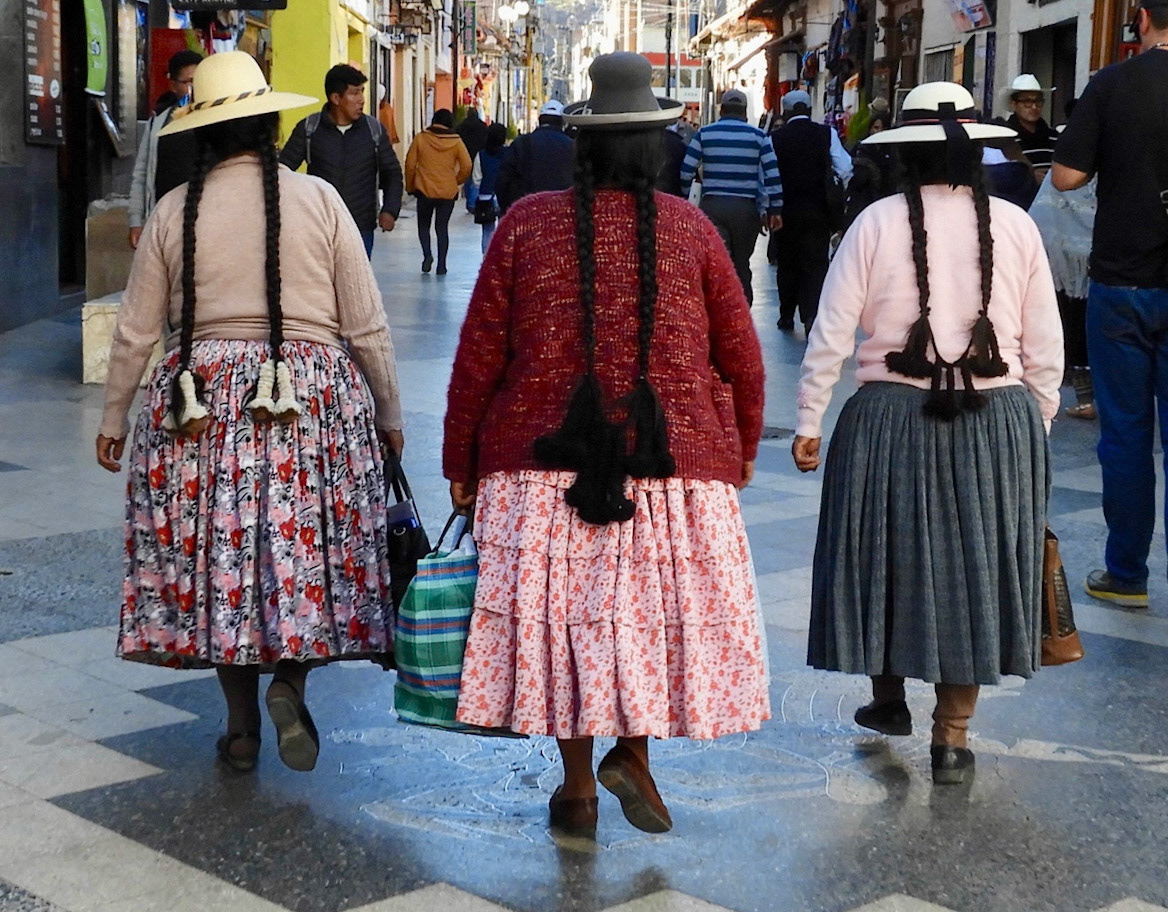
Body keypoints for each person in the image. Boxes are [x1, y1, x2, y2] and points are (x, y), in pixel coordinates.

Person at [443, 52, 770, 838]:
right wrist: (744, 445)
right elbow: (743, 356)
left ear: (582, 145)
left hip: (538, 468)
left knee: (570, 628)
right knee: (642, 621)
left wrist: (460, 462)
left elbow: (480, 353)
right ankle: (636, 751)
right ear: (657, 150)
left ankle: (579, 787)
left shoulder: (525, 225)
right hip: (672, 467)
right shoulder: (691, 229)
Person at [94, 52, 404, 775]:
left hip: (197, 405)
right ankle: (290, 684)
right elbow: (366, 325)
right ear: (270, 122)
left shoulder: (176, 209)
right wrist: (388, 411)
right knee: (303, 557)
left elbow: (136, 330)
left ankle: (239, 732)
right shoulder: (321, 200)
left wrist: (113, 419)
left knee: (221, 560)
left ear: (201, 133)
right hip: (311, 400)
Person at [793, 82, 1063, 786]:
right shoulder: (1016, 223)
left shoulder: (874, 222)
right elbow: (1044, 341)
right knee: (973, 567)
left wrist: (811, 419)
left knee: (885, 554)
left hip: (888, 414)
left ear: (901, 157)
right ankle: (954, 735)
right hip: (995, 416)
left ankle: (888, 700)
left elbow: (830, 329)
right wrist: (1038, 418)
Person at [1052, 0, 1168, 609]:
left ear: (1142, 17)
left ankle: (1127, 574)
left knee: (1124, 433)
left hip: (1123, 280)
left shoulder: (1114, 83)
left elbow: (1066, 177)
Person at [280, 64, 403, 259]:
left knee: (355, 285)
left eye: (362, 92)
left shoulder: (373, 131)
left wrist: (390, 210)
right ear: (335, 98)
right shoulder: (309, 129)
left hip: (360, 227)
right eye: (354, 93)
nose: (361, 100)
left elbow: (392, 173)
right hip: (320, 227)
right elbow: (283, 170)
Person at [680, 88, 783, 305]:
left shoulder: (705, 134)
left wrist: (686, 197)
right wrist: (775, 210)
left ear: (722, 109)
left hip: (712, 208)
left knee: (717, 263)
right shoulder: (759, 137)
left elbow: (686, 170)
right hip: (746, 211)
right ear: (744, 112)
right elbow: (773, 174)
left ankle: (717, 309)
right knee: (741, 263)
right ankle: (742, 312)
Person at [771, 90, 853, 334]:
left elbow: (769, 174)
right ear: (808, 110)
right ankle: (811, 315)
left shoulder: (776, 138)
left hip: (785, 212)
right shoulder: (826, 134)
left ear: (786, 113)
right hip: (819, 212)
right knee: (815, 264)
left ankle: (786, 314)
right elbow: (846, 167)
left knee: (787, 263)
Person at [1029, 168, 1097, 419]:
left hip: (1068, 266)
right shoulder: (1124, 166)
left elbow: (1040, 220)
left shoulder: (1064, 171)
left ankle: (1085, 400)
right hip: (1114, 265)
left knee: (1076, 330)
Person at [128, 49, 204, 249]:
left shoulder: (213, 120)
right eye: (187, 82)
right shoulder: (158, 122)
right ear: (173, 85)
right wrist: (136, 220)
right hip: (164, 218)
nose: (193, 87)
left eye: (198, 80)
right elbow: (142, 172)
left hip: (204, 220)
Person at [403, 109, 472, 275]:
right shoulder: (456, 142)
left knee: (423, 226)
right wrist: (456, 181)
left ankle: (427, 255)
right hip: (447, 192)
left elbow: (410, 165)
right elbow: (467, 165)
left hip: (424, 190)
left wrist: (410, 185)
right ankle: (442, 264)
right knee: (442, 228)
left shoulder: (421, 138)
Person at [495, 100, 575, 213]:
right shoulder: (573, 146)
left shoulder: (521, 144)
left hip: (527, 214)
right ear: (562, 122)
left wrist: (509, 211)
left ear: (540, 119)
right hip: (561, 214)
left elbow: (503, 181)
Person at [843, 109, 895, 230]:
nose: (878, 132)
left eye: (882, 128)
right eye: (875, 128)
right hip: (863, 201)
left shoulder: (893, 149)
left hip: (886, 201)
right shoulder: (861, 148)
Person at [1002, 74, 1060, 179]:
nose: (1034, 107)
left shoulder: (1055, 137)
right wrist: (1029, 177)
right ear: (1014, 104)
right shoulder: (1004, 138)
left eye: (1038, 101)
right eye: (1027, 102)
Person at [473, 122, 508, 252]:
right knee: (504, 232)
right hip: (504, 196)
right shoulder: (509, 153)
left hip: (485, 197)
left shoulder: (481, 154)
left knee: (487, 232)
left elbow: (476, 180)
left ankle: (486, 260)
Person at [457, 107, 490, 211]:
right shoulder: (483, 126)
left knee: (467, 177)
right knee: (476, 179)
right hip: (479, 155)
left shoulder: (462, 126)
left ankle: (468, 198)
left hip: (465, 154)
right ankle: (472, 202)